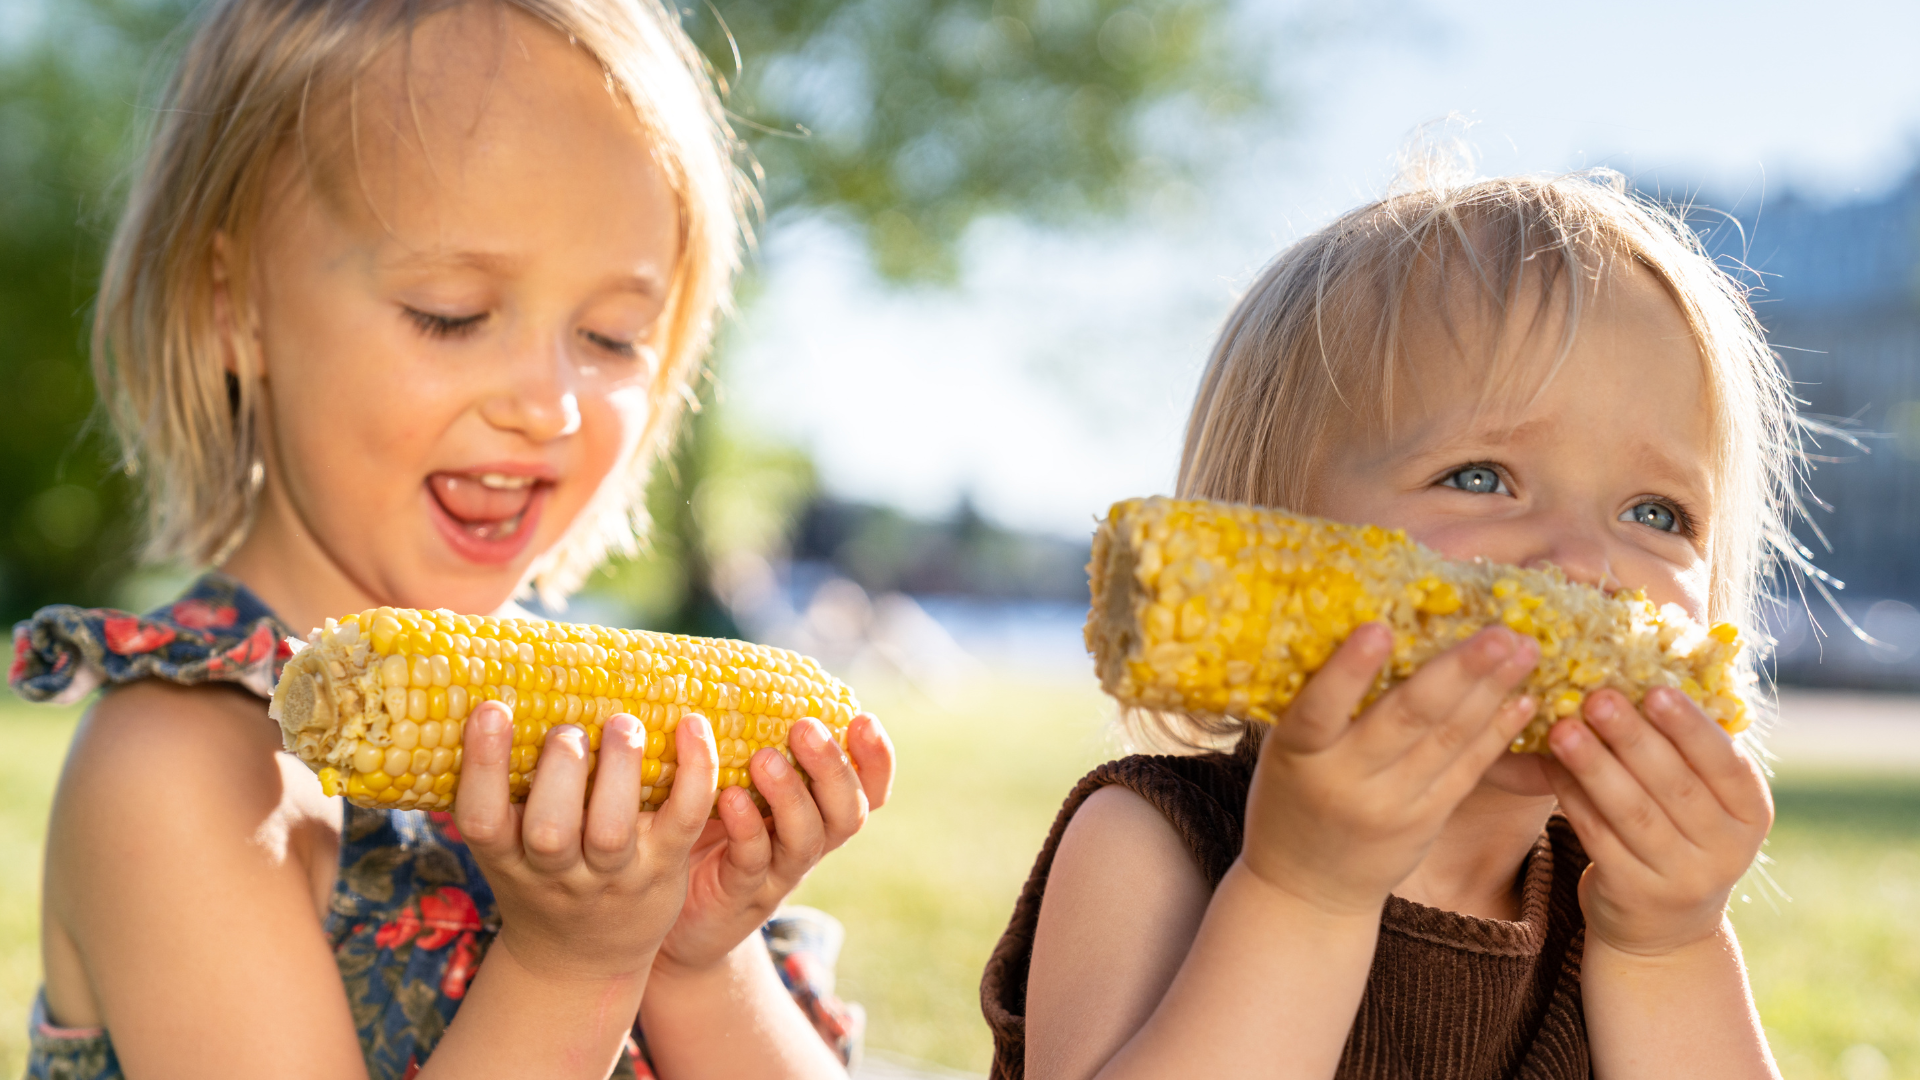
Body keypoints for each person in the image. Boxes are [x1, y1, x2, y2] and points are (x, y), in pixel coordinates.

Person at [10, 1, 894, 1077]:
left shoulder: (625, 751)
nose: (550, 404)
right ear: (229, 303)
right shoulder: (184, 775)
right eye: (450, 312)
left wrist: (697, 960)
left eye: (612, 336)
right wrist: (572, 967)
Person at [983, 166, 1791, 1080]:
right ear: (1272, 528)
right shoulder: (1154, 842)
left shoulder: (1619, 909)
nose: (1584, 565)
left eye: (1657, 513)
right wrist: (1304, 895)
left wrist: (1669, 953)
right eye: (1481, 476)